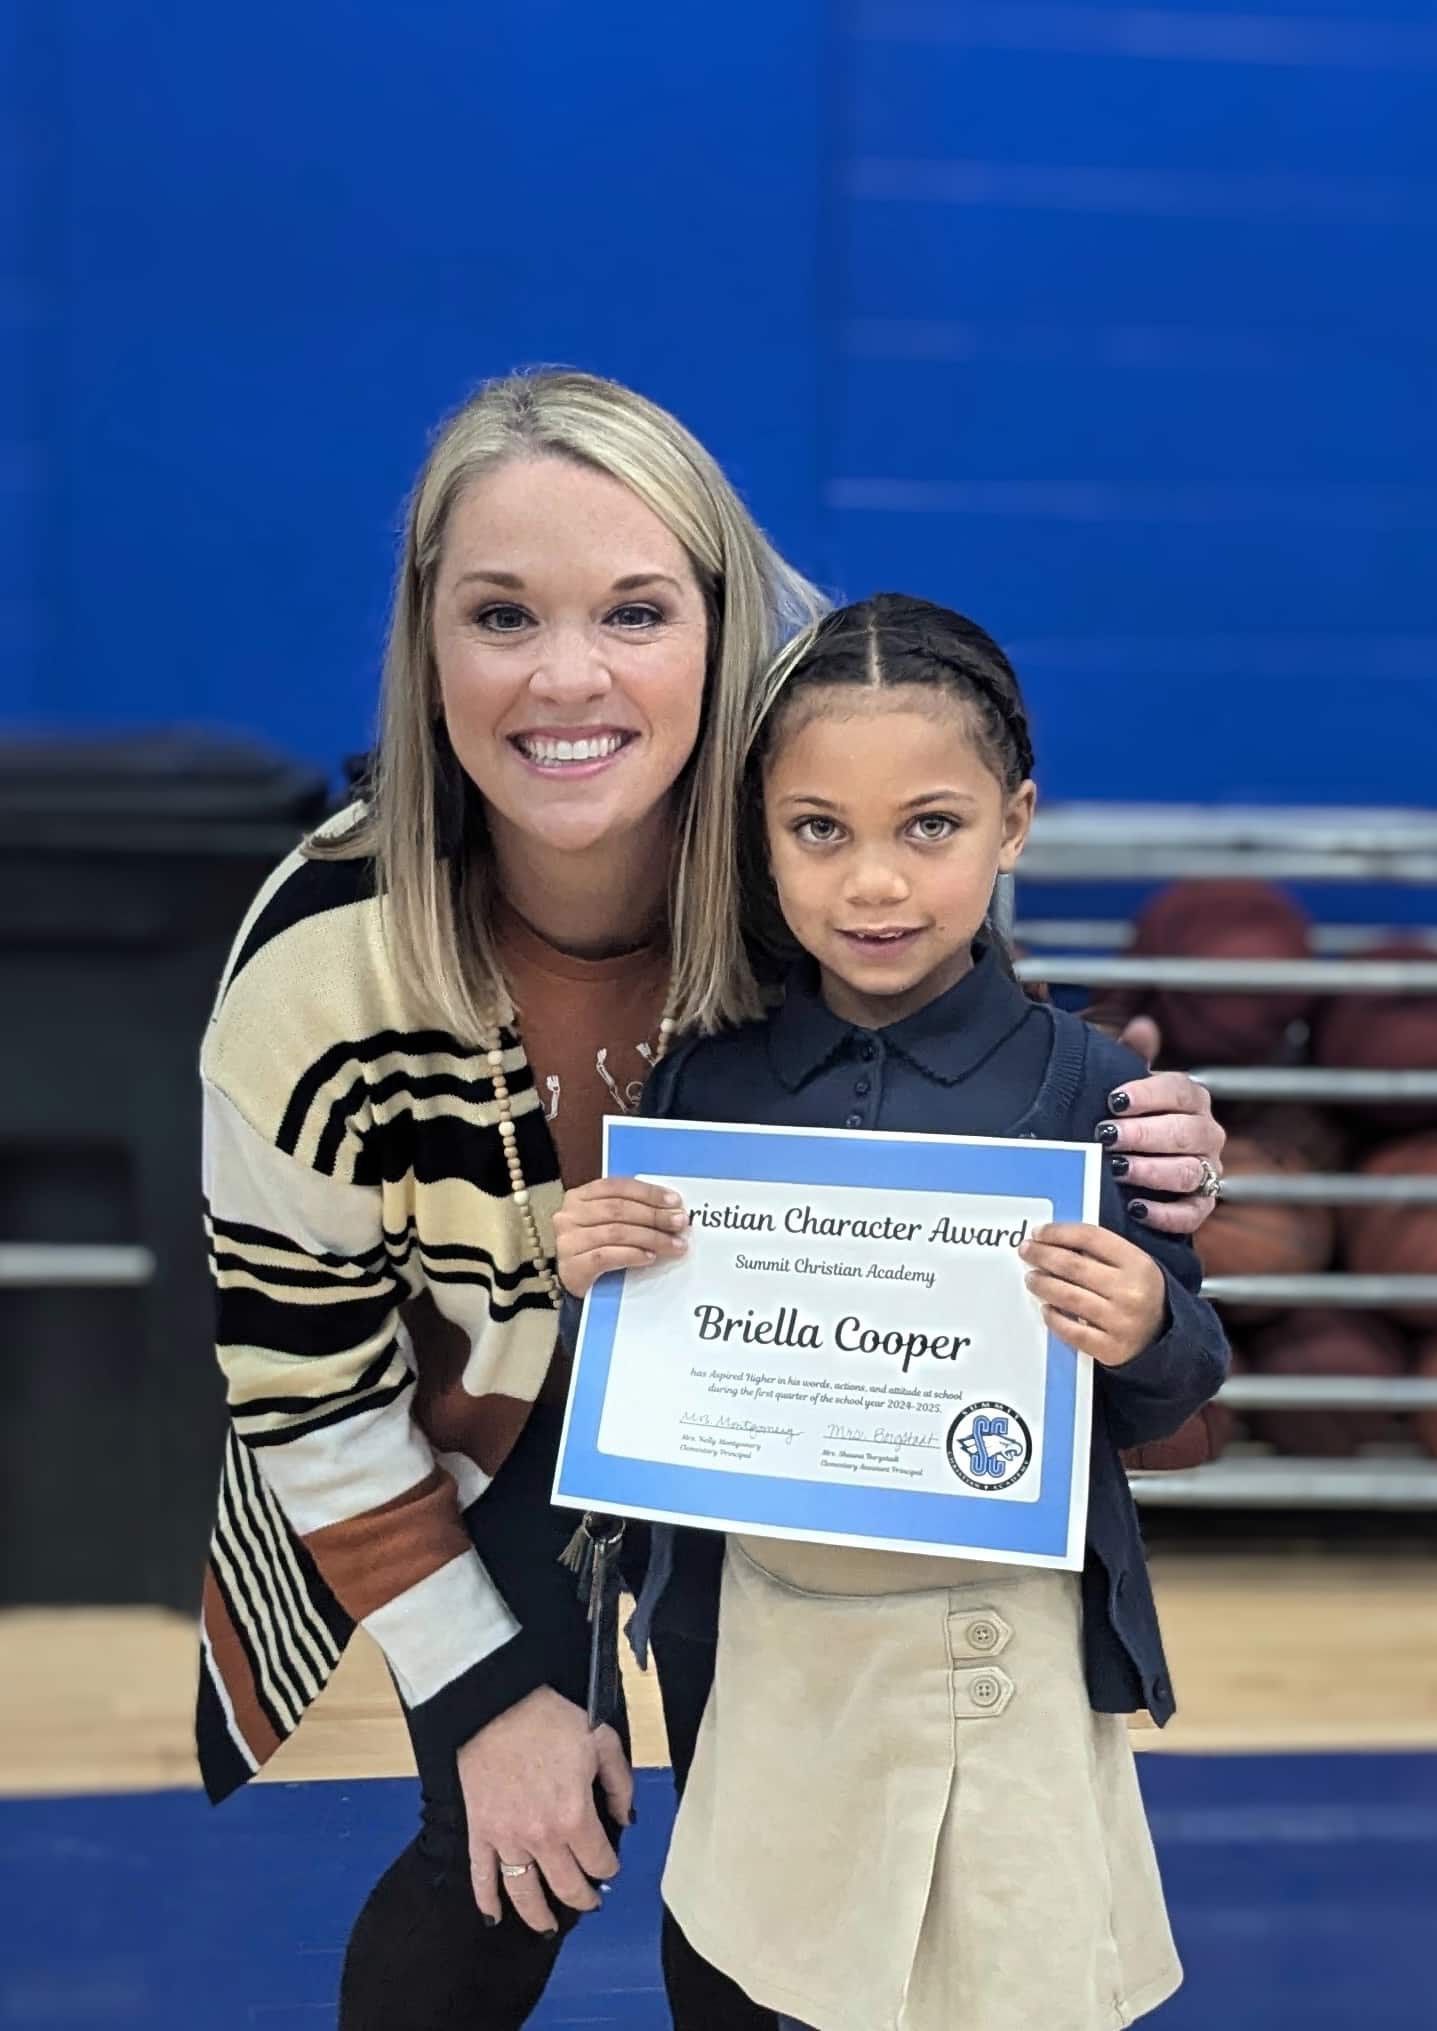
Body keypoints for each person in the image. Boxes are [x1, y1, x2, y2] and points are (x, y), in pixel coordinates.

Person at [194, 374, 1227, 2031]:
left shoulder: (814, 838)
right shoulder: (319, 970)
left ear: (722, 629)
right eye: (500, 614)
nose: (567, 674)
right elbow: (303, 1386)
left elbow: (993, 1090)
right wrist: (479, 1697)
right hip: (472, 1425)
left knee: (778, 1855)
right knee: (513, 1836)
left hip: (785, 1418)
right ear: (424, 644)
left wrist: (1149, 1142)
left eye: (634, 609)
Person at [554, 593, 1230, 2031]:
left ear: (1014, 824)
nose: (873, 883)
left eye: (928, 826)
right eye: (818, 830)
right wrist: (594, 1269)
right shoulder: (702, 1086)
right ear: (761, 833)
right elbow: (643, 1383)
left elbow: (1177, 1391)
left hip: (1001, 1655)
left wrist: (1142, 1330)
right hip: (766, 1651)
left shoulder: (1090, 1089)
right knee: (744, 1977)